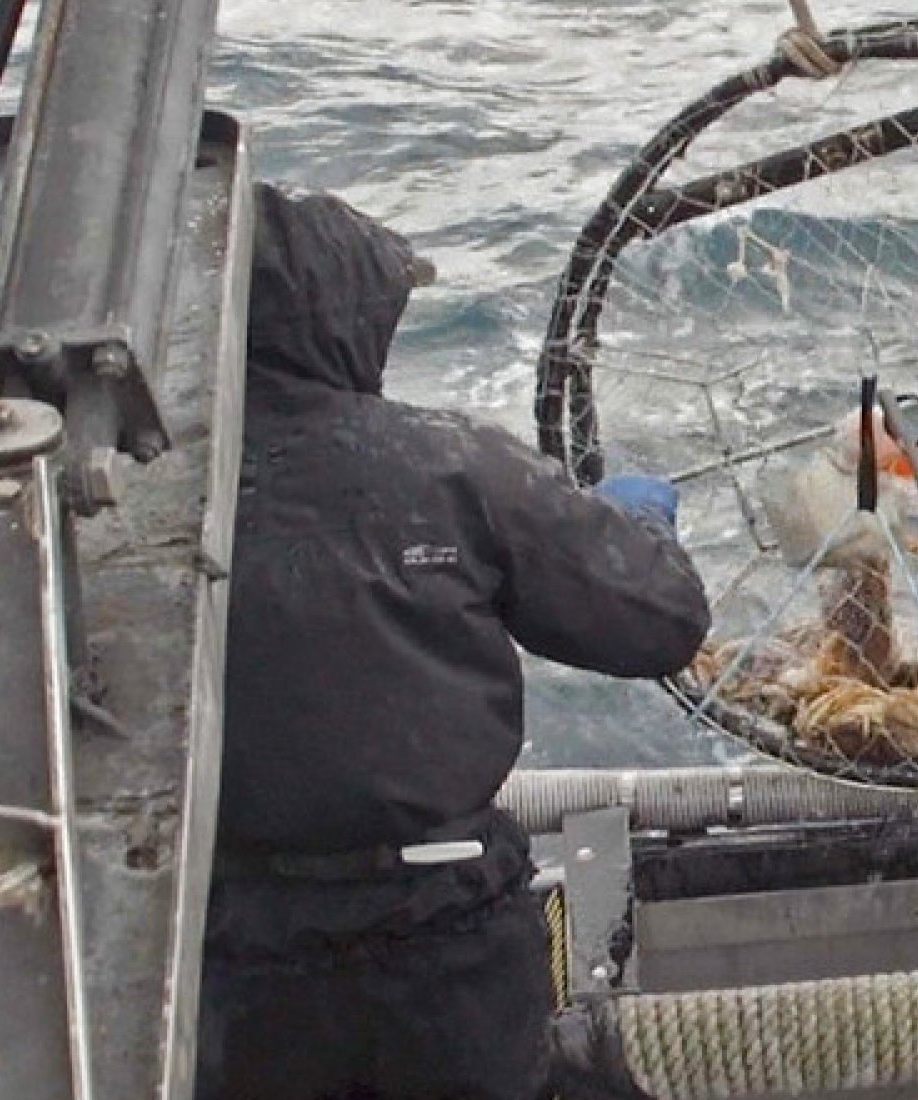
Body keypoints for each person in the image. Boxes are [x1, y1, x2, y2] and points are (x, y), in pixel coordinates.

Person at [199, 184, 710, 1100]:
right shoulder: (447, 460)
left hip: (224, 953)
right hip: (439, 942)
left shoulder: (147, 486)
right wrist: (640, 526)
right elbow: (661, 621)